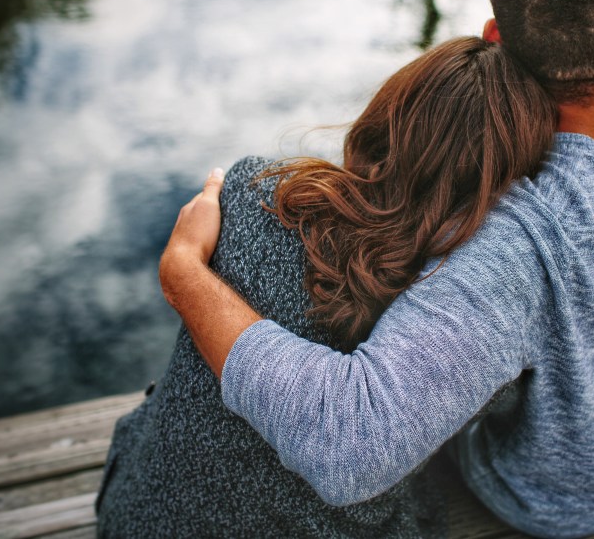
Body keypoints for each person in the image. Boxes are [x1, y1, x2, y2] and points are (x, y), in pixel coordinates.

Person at [159, 0, 594, 538]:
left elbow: (350, 447)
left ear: (494, 37)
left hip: (553, 503)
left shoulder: (512, 239)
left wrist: (184, 275)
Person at [95, 37, 558, 537]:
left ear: (384, 118)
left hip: (139, 516)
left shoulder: (255, 194)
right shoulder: (463, 317)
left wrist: (186, 267)